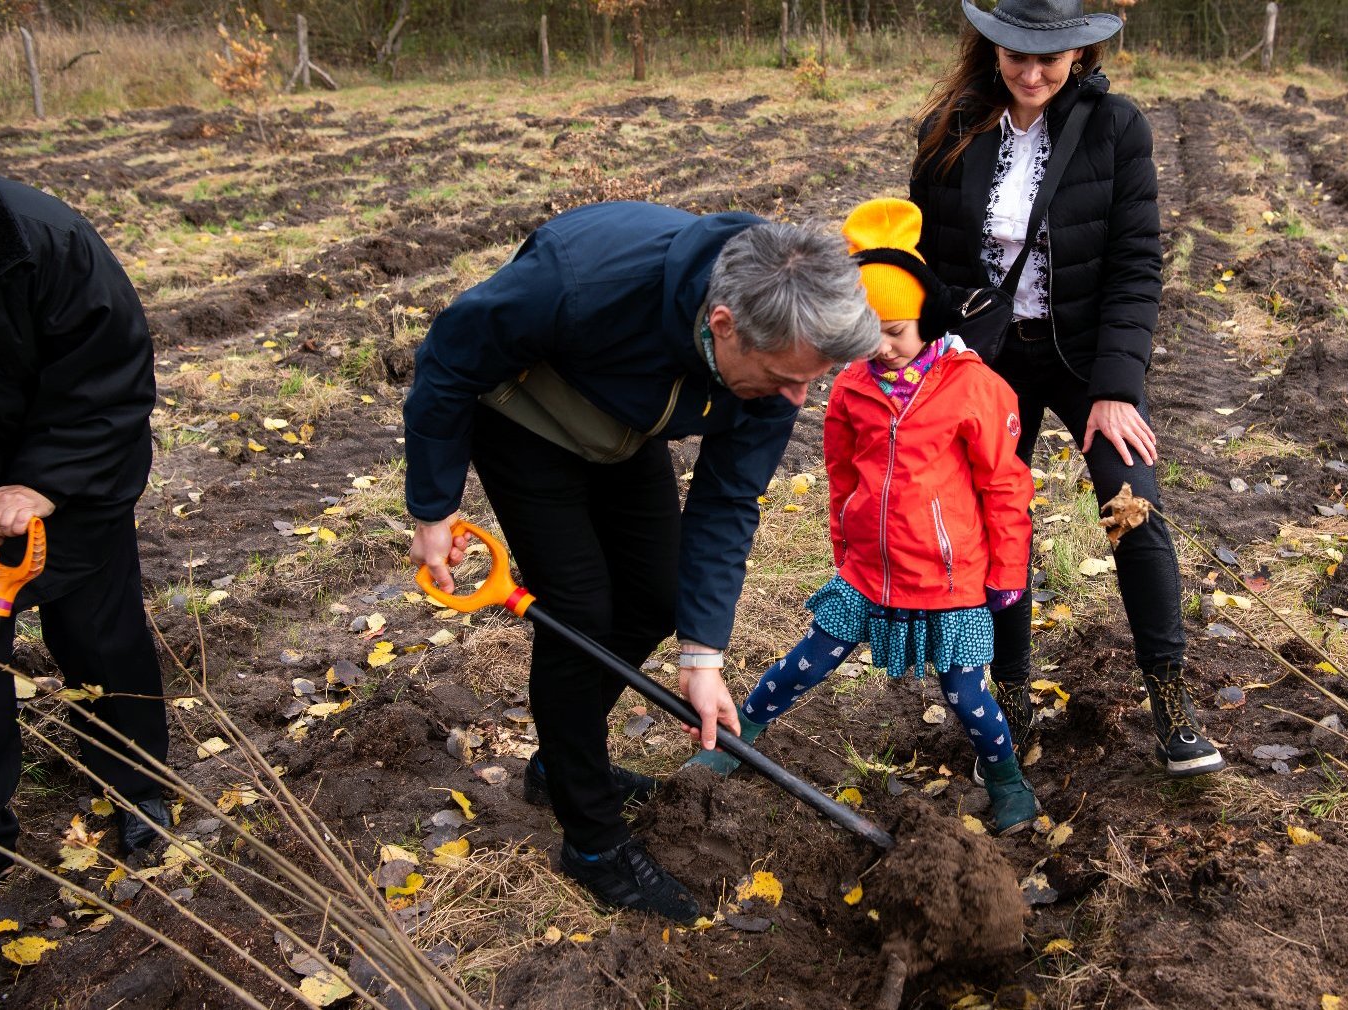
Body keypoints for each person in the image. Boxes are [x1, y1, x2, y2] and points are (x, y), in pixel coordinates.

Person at [405, 201, 880, 924]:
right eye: (786, 378)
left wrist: (703, 654)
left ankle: (562, 766)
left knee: (659, 598)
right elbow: (447, 359)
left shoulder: (780, 352)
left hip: (625, 431)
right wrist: (433, 509)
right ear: (723, 325)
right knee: (583, 616)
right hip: (526, 423)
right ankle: (591, 841)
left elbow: (726, 503)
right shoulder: (578, 284)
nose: (798, 398)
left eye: (811, 379)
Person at [909, 0, 1225, 777]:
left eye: (1048, 57)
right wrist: (933, 357)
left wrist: (1118, 385)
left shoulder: (1117, 127)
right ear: (991, 49)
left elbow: (1135, 265)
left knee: (1132, 509)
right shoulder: (950, 128)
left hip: (1088, 361)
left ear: (1077, 53)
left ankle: (1172, 698)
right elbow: (926, 255)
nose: (1031, 72)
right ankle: (1011, 705)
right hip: (990, 363)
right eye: (1016, 54)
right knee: (995, 524)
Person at [686, 198, 1042, 833]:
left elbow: (1006, 485)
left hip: (948, 577)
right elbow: (842, 475)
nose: (880, 348)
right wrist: (844, 542)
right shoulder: (852, 385)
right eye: (865, 333)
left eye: (895, 332)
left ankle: (1006, 779)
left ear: (926, 322)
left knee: (966, 694)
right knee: (808, 660)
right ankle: (739, 739)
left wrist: (1007, 568)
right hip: (871, 568)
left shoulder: (975, 388)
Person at [0, 142, 173, 929]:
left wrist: (42, 485)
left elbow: (112, 379)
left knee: (100, 633)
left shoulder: (40, 241)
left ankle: (135, 784)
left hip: (73, 470)